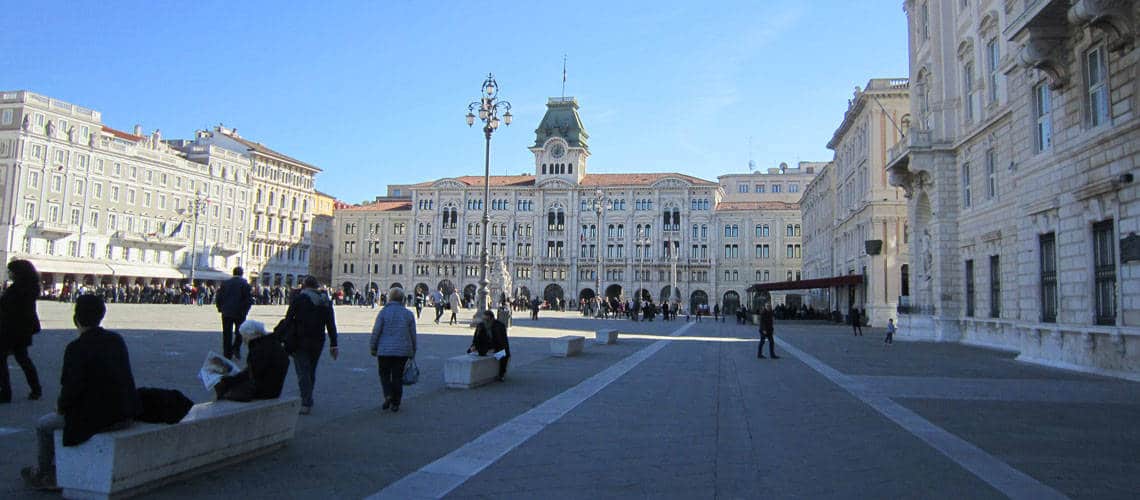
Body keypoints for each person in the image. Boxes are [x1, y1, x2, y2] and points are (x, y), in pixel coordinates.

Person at [21, 295, 141, 491]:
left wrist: (61, 407)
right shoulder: (116, 340)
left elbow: (70, 389)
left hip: (100, 418)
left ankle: (46, 474)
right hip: (125, 411)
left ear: (76, 318)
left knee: (44, 426)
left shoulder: (76, 348)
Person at [284, 276, 338, 415]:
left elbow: (288, 319)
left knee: (303, 371)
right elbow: (331, 324)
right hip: (318, 340)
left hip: (300, 339)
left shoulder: (300, 299)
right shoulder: (325, 301)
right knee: (310, 370)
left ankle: (306, 401)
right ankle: (308, 396)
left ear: (305, 286)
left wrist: (280, 336)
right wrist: (334, 343)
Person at [214, 320, 290, 401]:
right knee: (227, 384)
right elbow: (254, 370)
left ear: (253, 334)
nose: (243, 340)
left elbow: (253, 374)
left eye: (244, 336)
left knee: (224, 388)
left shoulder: (259, 349)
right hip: (273, 388)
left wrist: (229, 380)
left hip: (264, 391)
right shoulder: (270, 342)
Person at [1, 260, 43, 403]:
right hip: (23, 330)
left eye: (11, 271)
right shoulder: (30, 287)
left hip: (11, 329)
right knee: (23, 359)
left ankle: (5, 393)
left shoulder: (18, 289)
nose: (9, 274)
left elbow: (8, 308)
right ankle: (36, 389)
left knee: (2, 360)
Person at [369, 287, 417, 413]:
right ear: (403, 299)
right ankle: (396, 403)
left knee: (384, 374)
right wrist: (413, 351)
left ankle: (388, 395)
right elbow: (413, 335)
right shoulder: (408, 314)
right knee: (397, 376)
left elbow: (376, 331)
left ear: (389, 298)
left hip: (384, 350)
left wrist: (373, 346)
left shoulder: (383, 312)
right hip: (402, 352)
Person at [215, 267, 253, 361]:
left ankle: (227, 354)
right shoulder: (245, 284)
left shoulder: (225, 283)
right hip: (239, 312)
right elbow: (248, 300)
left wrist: (220, 308)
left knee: (227, 333)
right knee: (240, 332)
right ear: (242, 273)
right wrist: (245, 311)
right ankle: (236, 347)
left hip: (226, 312)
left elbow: (219, 297)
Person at [469, 310, 510, 381]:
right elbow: (476, 338)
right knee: (472, 352)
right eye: (483, 319)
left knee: (504, 355)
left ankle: (501, 374)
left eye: (486, 320)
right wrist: (473, 346)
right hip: (485, 347)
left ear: (492, 319)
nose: (484, 321)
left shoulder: (499, 326)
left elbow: (503, 342)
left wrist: (495, 350)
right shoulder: (481, 326)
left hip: (498, 348)